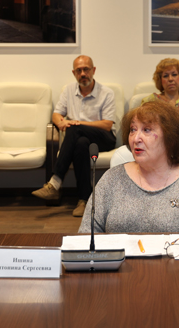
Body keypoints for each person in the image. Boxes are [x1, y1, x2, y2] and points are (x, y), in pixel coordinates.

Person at [79, 101, 179, 233]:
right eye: (133, 130)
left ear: (171, 138)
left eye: (146, 130)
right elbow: (86, 234)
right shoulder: (112, 178)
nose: (135, 138)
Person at [32, 55, 117, 218]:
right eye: (79, 70)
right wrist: (61, 122)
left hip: (104, 139)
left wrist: (77, 124)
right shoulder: (69, 90)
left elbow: (107, 124)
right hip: (83, 139)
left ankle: (55, 182)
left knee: (74, 129)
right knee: (81, 144)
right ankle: (84, 200)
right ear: (74, 73)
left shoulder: (106, 93)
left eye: (86, 69)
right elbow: (56, 114)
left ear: (93, 70)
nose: (83, 73)